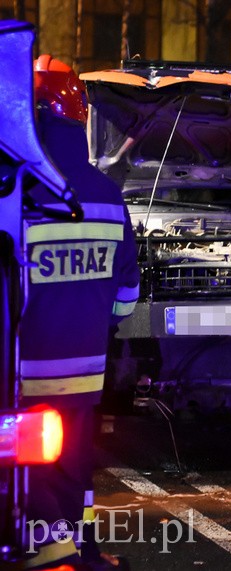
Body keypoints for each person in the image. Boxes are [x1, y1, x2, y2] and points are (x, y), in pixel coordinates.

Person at [18, 55, 139, 570]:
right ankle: (81, 551)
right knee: (75, 467)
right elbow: (126, 300)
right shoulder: (109, 195)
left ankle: (45, 553)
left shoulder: (14, 194)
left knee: (25, 470)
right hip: (84, 374)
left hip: (20, 372)